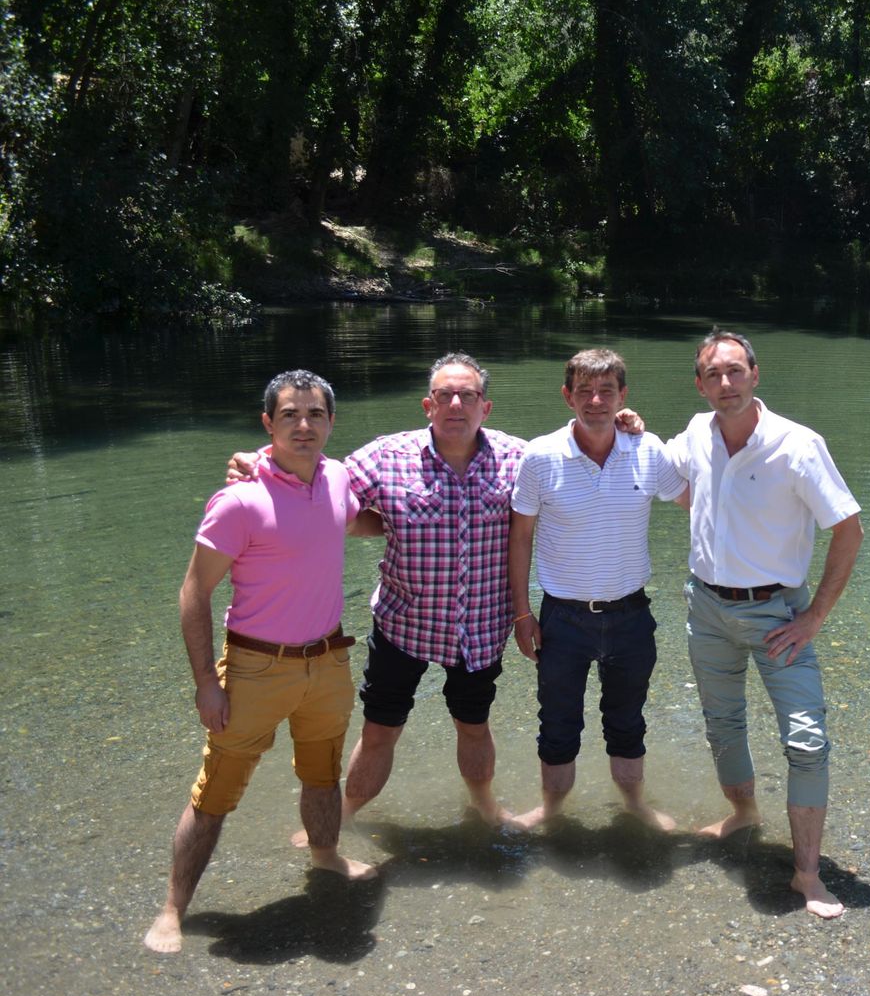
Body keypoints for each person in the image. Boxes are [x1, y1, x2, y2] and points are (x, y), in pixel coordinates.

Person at [231, 353, 525, 837]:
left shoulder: (517, 459)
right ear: (428, 405)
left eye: (467, 395)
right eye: (445, 395)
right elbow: (313, 477)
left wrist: (627, 427)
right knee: (379, 731)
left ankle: (484, 803)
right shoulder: (386, 456)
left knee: (473, 725)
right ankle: (345, 813)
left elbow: (570, 472)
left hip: (480, 626)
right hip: (403, 625)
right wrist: (255, 461)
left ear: (485, 407)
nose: (456, 404)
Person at [144, 370, 375, 955]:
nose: (305, 424)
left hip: (326, 662)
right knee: (216, 791)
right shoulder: (240, 499)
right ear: (268, 423)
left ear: (330, 422)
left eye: (316, 414)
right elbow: (194, 593)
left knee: (323, 775)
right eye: (291, 415)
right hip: (253, 667)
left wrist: (428, 524)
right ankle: (173, 909)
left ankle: (325, 858)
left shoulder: (339, 476)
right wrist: (205, 683)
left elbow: (354, 521)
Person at [667, 330, 864, 919]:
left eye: (735, 371)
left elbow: (848, 529)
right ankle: (743, 815)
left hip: (777, 613)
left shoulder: (797, 446)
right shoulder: (696, 435)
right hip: (706, 606)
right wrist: (627, 426)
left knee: (807, 741)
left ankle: (807, 874)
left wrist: (814, 617)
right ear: (699, 384)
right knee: (722, 724)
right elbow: (671, 479)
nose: (724, 384)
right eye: (713, 374)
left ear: (756, 374)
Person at [506, 349, 685, 830]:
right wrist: (522, 615)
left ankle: (634, 807)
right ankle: (551, 810)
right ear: (567, 396)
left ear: (623, 396)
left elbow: (695, 500)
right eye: (584, 390)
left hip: (631, 614)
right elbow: (519, 537)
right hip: (562, 617)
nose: (596, 400)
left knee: (627, 722)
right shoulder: (540, 456)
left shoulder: (648, 450)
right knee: (558, 724)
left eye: (607, 390)